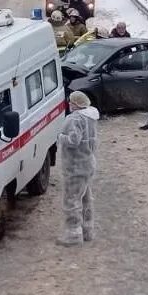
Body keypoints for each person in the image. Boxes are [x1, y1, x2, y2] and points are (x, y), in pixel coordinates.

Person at [57, 90, 99, 245]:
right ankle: (87, 230)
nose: (69, 104)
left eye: (71, 102)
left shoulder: (75, 119)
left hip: (75, 166)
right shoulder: (91, 117)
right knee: (86, 198)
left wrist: (61, 137)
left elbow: (73, 141)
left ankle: (73, 235)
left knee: (71, 200)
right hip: (88, 163)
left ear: (75, 104)